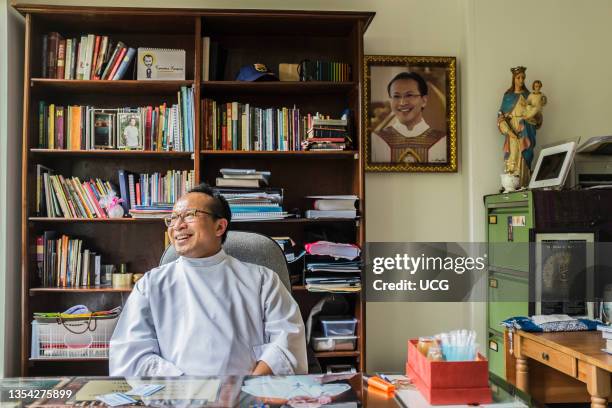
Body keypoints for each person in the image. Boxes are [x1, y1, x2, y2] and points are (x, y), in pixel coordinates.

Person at [109, 184, 308, 376]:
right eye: (173, 218)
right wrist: (187, 389)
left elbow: (287, 342)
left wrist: (250, 389)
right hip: (177, 397)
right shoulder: (151, 285)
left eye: (189, 215)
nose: (177, 225)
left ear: (220, 226)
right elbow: (130, 354)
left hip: (246, 399)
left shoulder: (263, 280)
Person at [371, 71, 447, 163]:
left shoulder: (442, 141)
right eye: (396, 96)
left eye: (409, 95)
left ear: (424, 101)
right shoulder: (376, 140)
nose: (402, 103)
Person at [497, 66, 540, 187]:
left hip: (525, 130)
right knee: (513, 157)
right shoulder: (508, 96)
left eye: (523, 78)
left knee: (525, 154)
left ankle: (524, 182)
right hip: (512, 132)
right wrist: (508, 130)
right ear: (514, 79)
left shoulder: (528, 96)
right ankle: (511, 185)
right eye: (518, 77)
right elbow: (500, 116)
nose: (521, 80)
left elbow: (536, 115)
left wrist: (534, 117)